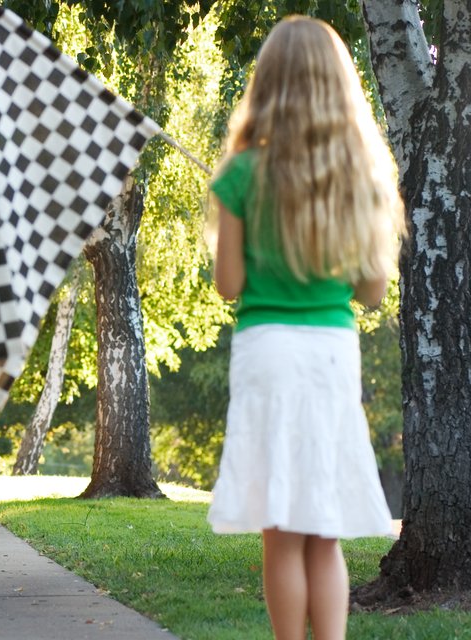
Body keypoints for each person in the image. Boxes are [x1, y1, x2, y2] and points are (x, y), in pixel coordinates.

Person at [205, 16, 405, 640]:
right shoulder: (360, 179)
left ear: (267, 87)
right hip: (329, 354)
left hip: (268, 351)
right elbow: (373, 291)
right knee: (324, 530)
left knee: (281, 530)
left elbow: (229, 285)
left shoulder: (240, 176)